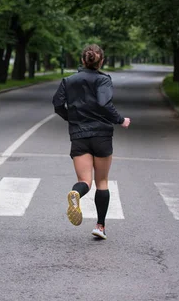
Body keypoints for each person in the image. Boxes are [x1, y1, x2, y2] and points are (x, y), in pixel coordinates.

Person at [52, 44, 130, 239]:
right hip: (102, 136)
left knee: (84, 181)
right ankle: (100, 226)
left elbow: (57, 104)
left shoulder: (68, 80)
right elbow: (104, 103)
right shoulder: (103, 80)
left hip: (79, 136)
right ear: (101, 61)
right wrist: (121, 120)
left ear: (82, 60)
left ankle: (76, 193)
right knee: (102, 181)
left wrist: (72, 118)